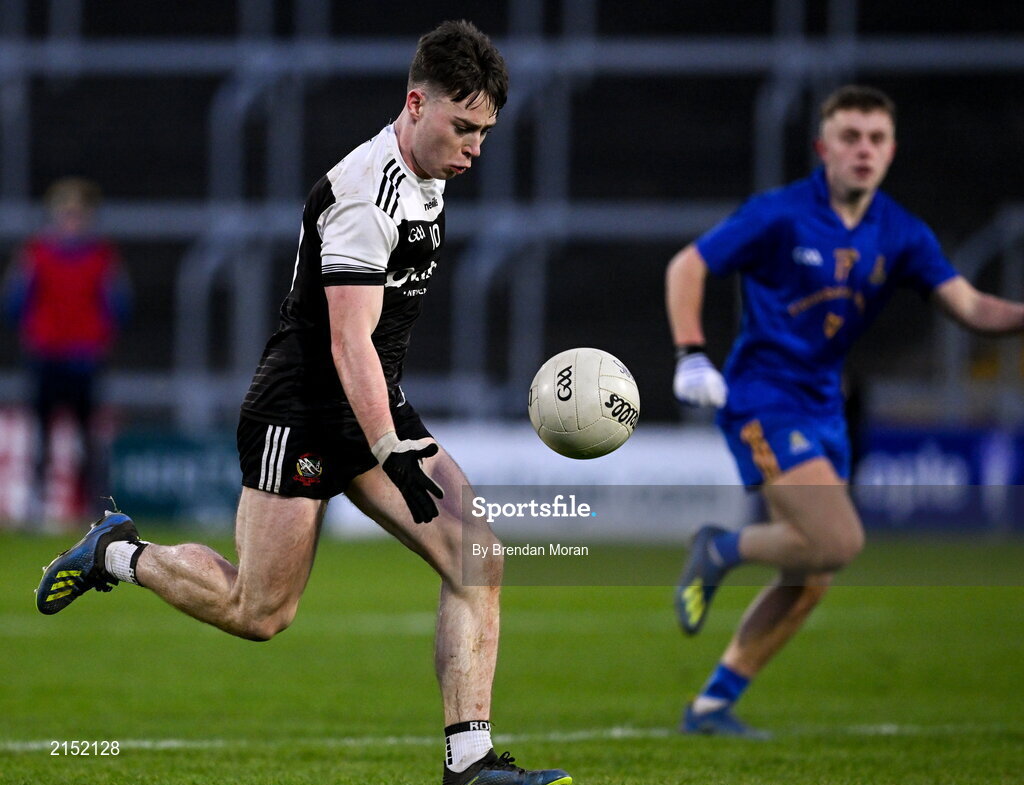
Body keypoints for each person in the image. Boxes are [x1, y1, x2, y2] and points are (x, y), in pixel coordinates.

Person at [35, 21, 571, 785]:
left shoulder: (428, 171)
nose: (475, 147)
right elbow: (348, 342)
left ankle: (471, 762)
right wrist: (389, 447)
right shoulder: (364, 196)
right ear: (416, 103)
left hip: (370, 401)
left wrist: (385, 430)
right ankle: (117, 553)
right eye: (463, 126)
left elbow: (369, 351)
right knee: (260, 612)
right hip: (302, 410)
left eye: (485, 132)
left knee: (475, 553)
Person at [666, 85, 1024, 737]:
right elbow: (688, 265)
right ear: (822, 148)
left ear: (892, 150)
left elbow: (972, 307)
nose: (864, 150)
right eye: (850, 137)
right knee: (839, 540)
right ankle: (719, 547)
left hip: (825, 406)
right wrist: (692, 354)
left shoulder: (901, 232)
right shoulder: (778, 214)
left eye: (876, 139)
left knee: (813, 574)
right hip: (762, 398)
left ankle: (712, 706)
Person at [3, 177, 129, 524]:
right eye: (67, 214)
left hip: (84, 359)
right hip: (46, 356)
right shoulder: (36, 254)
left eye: (78, 214)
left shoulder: (102, 257)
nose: (72, 221)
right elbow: (16, 302)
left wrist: (98, 339)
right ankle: (34, 507)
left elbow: (118, 305)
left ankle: (95, 507)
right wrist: (35, 334)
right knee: (41, 434)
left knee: (88, 437)